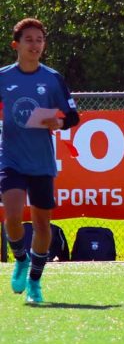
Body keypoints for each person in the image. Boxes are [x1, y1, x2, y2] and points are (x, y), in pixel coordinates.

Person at [0, 18, 80, 303]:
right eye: (29, 40)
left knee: (43, 225)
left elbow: (72, 116)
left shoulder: (52, 78)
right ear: (16, 45)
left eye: (39, 40)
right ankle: (20, 258)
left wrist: (56, 123)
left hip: (42, 162)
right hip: (11, 159)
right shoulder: (4, 77)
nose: (35, 45)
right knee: (12, 215)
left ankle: (35, 280)